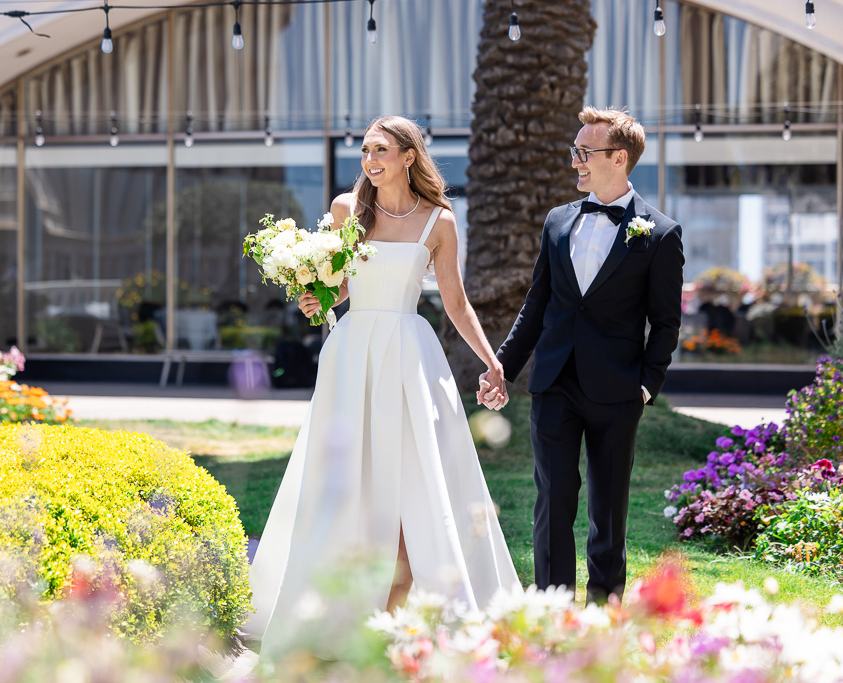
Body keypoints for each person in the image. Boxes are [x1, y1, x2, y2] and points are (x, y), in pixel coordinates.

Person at [245, 116, 520, 654]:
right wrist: (317, 297)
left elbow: (456, 302)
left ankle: (397, 614)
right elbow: (339, 287)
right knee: (346, 477)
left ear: (409, 157)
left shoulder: (438, 221)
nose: (370, 161)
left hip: (410, 356)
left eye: (381, 150)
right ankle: (337, 613)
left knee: (419, 480)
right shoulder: (347, 211)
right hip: (351, 356)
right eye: (365, 151)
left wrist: (492, 362)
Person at [479, 107, 684, 604]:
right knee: (553, 497)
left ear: (618, 158)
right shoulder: (558, 222)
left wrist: (646, 382)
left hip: (618, 388)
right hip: (553, 383)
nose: (575, 162)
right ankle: (552, 603)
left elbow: (666, 321)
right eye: (575, 152)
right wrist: (501, 367)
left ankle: (605, 602)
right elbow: (536, 305)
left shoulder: (659, 234)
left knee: (607, 503)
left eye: (583, 153)